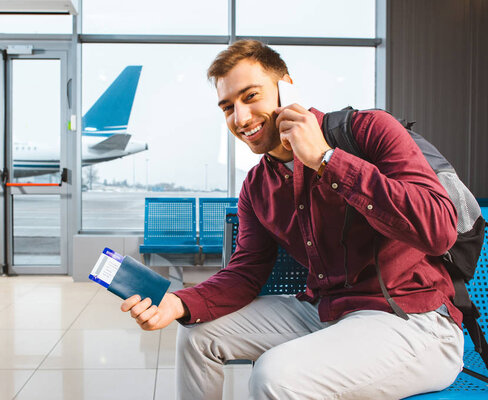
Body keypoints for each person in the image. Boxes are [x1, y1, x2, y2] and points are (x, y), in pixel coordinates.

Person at [121, 40, 464, 399]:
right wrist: (179, 302)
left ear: (286, 87)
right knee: (196, 334)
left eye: (251, 96)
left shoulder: (370, 130)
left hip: (411, 320)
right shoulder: (257, 185)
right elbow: (245, 272)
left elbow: (439, 230)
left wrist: (326, 160)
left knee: (274, 376)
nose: (240, 118)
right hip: (328, 313)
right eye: (227, 107)